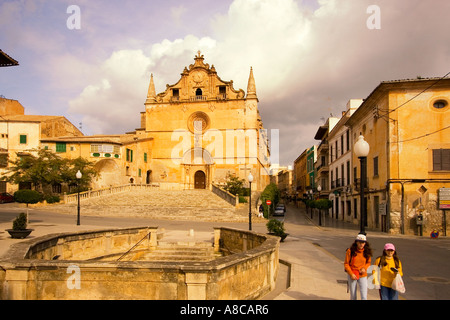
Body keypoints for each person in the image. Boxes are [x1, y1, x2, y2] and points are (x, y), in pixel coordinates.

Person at [344, 233, 373, 300]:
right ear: (356, 242)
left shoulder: (366, 252)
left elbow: (368, 262)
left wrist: (364, 268)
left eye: (363, 243)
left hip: (362, 275)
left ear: (365, 243)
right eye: (360, 242)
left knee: (364, 296)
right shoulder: (350, 251)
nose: (361, 244)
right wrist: (351, 274)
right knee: (353, 296)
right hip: (353, 274)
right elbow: (346, 264)